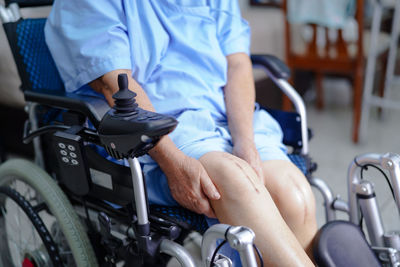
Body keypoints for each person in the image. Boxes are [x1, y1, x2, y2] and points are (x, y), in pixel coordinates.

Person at [45, 1, 317, 265]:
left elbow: (237, 64)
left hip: (224, 118)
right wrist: (171, 161)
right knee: (234, 181)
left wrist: (245, 141)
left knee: (294, 194)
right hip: (150, 133)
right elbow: (114, 86)